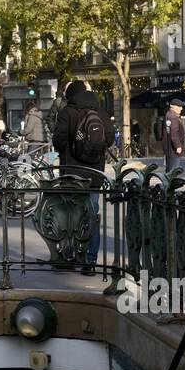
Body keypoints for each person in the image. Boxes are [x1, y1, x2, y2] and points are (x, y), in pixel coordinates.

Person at [52, 80, 114, 276]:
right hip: (94, 176)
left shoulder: (67, 112)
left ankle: (69, 257)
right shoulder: (100, 112)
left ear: (70, 95)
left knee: (70, 216)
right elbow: (110, 138)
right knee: (91, 216)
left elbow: (58, 141)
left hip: (71, 174)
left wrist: (69, 147)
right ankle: (90, 260)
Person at [163, 98, 185, 171]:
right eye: (180, 107)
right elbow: (174, 133)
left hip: (169, 147)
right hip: (172, 149)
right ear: (174, 107)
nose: (181, 109)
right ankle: (170, 182)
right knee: (173, 170)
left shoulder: (168, 115)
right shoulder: (173, 117)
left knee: (170, 169)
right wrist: (178, 146)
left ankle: (168, 181)